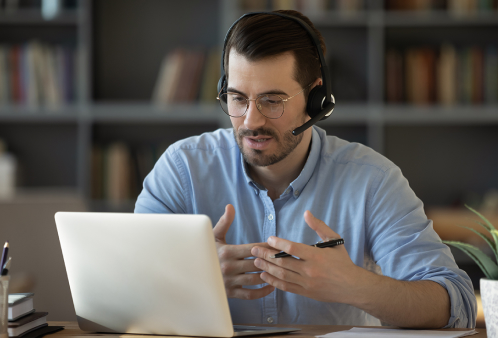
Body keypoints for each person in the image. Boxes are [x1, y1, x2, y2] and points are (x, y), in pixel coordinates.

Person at [135, 10, 476, 329]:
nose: (251, 121)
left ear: (317, 99)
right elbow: (124, 282)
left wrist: (355, 286)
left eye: (272, 101)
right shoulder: (182, 169)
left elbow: (456, 304)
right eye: (238, 99)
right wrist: (193, 276)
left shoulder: (372, 180)